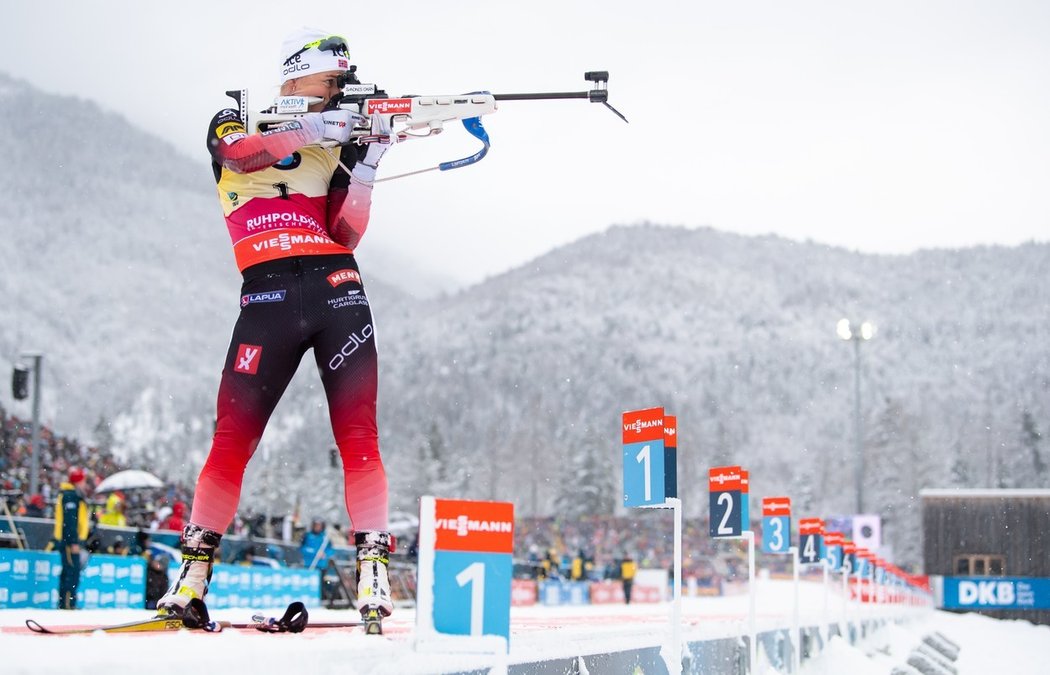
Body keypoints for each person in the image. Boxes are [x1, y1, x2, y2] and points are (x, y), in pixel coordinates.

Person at [158, 27, 395, 632]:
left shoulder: (340, 140)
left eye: (344, 84)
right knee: (230, 440)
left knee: (359, 436)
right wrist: (321, 128)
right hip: (264, 296)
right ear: (295, 75)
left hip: (336, 287)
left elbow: (346, 232)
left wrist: (365, 164)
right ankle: (192, 574)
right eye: (330, 80)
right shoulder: (235, 115)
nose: (338, 91)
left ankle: (373, 567)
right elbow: (240, 156)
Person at [53, 468, 90, 609]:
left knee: (70, 571)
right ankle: (67, 603)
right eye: (83, 480)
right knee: (71, 572)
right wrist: (74, 541)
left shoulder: (73, 495)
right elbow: (70, 521)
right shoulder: (70, 496)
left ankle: (66, 602)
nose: (85, 483)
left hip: (71, 541)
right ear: (78, 481)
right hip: (70, 542)